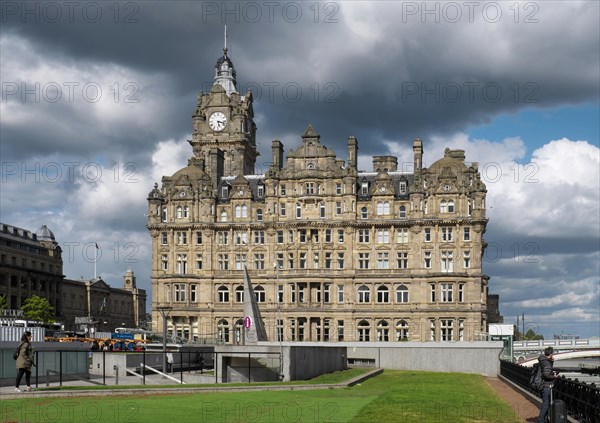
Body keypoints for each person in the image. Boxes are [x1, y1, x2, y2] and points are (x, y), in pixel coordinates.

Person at [538, 346, 557, 423]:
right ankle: (541, 420)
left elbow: (545, 372)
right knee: (545, 404)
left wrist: (552, 362)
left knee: (545, 403)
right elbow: (546, 375)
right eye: (553, 354)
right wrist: (554, 376)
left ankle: (545, 420)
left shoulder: (543, 361)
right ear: (551, 354)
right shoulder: (547, 363)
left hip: (543, 385)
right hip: (546, 386)